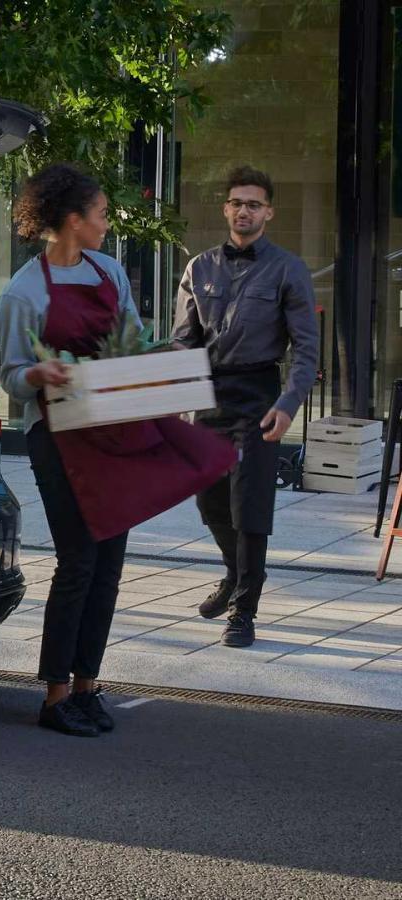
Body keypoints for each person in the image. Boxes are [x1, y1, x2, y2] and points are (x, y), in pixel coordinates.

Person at [0, 164, 137, 738]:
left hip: (110, 432)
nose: (107, 223)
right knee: (78, 560)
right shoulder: (23, 292)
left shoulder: (110, 271)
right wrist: (40, 373)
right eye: (101, 214)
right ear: (74, 220)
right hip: (56, 435)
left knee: (109, 563)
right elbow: (11, 378)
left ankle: (86, 686)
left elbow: (131, 342)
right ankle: (54, 696)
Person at [173, 166, 317, 648]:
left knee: (250, 503)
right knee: (209, 498)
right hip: (209, 393)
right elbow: (183, 342)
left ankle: (243, 611)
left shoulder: (288, 269)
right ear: (225, 208)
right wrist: (179, 402)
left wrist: (289, 403)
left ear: (268, 213)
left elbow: (306, 350)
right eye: (237, 203)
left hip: (260, 394)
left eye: (254, 204)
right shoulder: (199, 268)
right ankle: (236, 572)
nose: (244, 211)